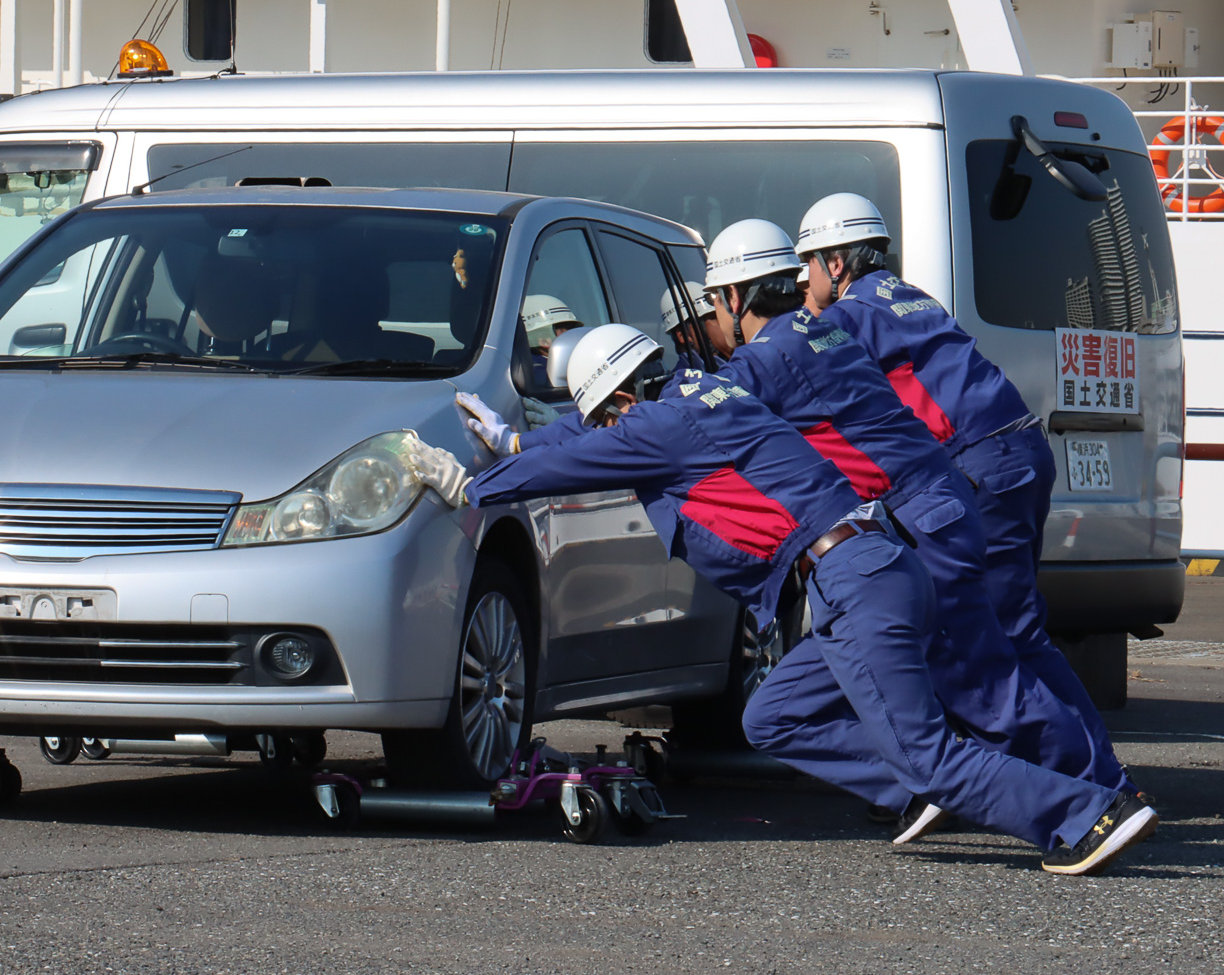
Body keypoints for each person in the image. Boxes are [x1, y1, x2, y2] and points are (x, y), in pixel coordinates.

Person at [430, 324, 1153, 874]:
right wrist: (522, 442)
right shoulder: (705, 392)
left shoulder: (654, 426)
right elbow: (588, 445)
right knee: (772, 715)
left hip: (854, 582)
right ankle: (915, 789)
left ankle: (1084, 815)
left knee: (930, 750)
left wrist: (474, 485)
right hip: (875, 567)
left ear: (620, 401)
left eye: (605, 419)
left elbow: (577, 466)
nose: (610, 432)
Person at [701, 219, 1133, 834]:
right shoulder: (907, 294)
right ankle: (1079, 784)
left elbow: (781, 370)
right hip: (1013, 456)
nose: (805, 289)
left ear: (835, 262)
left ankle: (1099, 794)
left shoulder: (846, 316)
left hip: (967, 470)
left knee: (989, 658)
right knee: (1016, 639)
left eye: (809, 271)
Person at [662, 279, 719, 375]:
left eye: (718, 317)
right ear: (683, 335)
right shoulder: (684, 382)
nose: (718, 325)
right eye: (708, 320)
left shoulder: (730, 363)